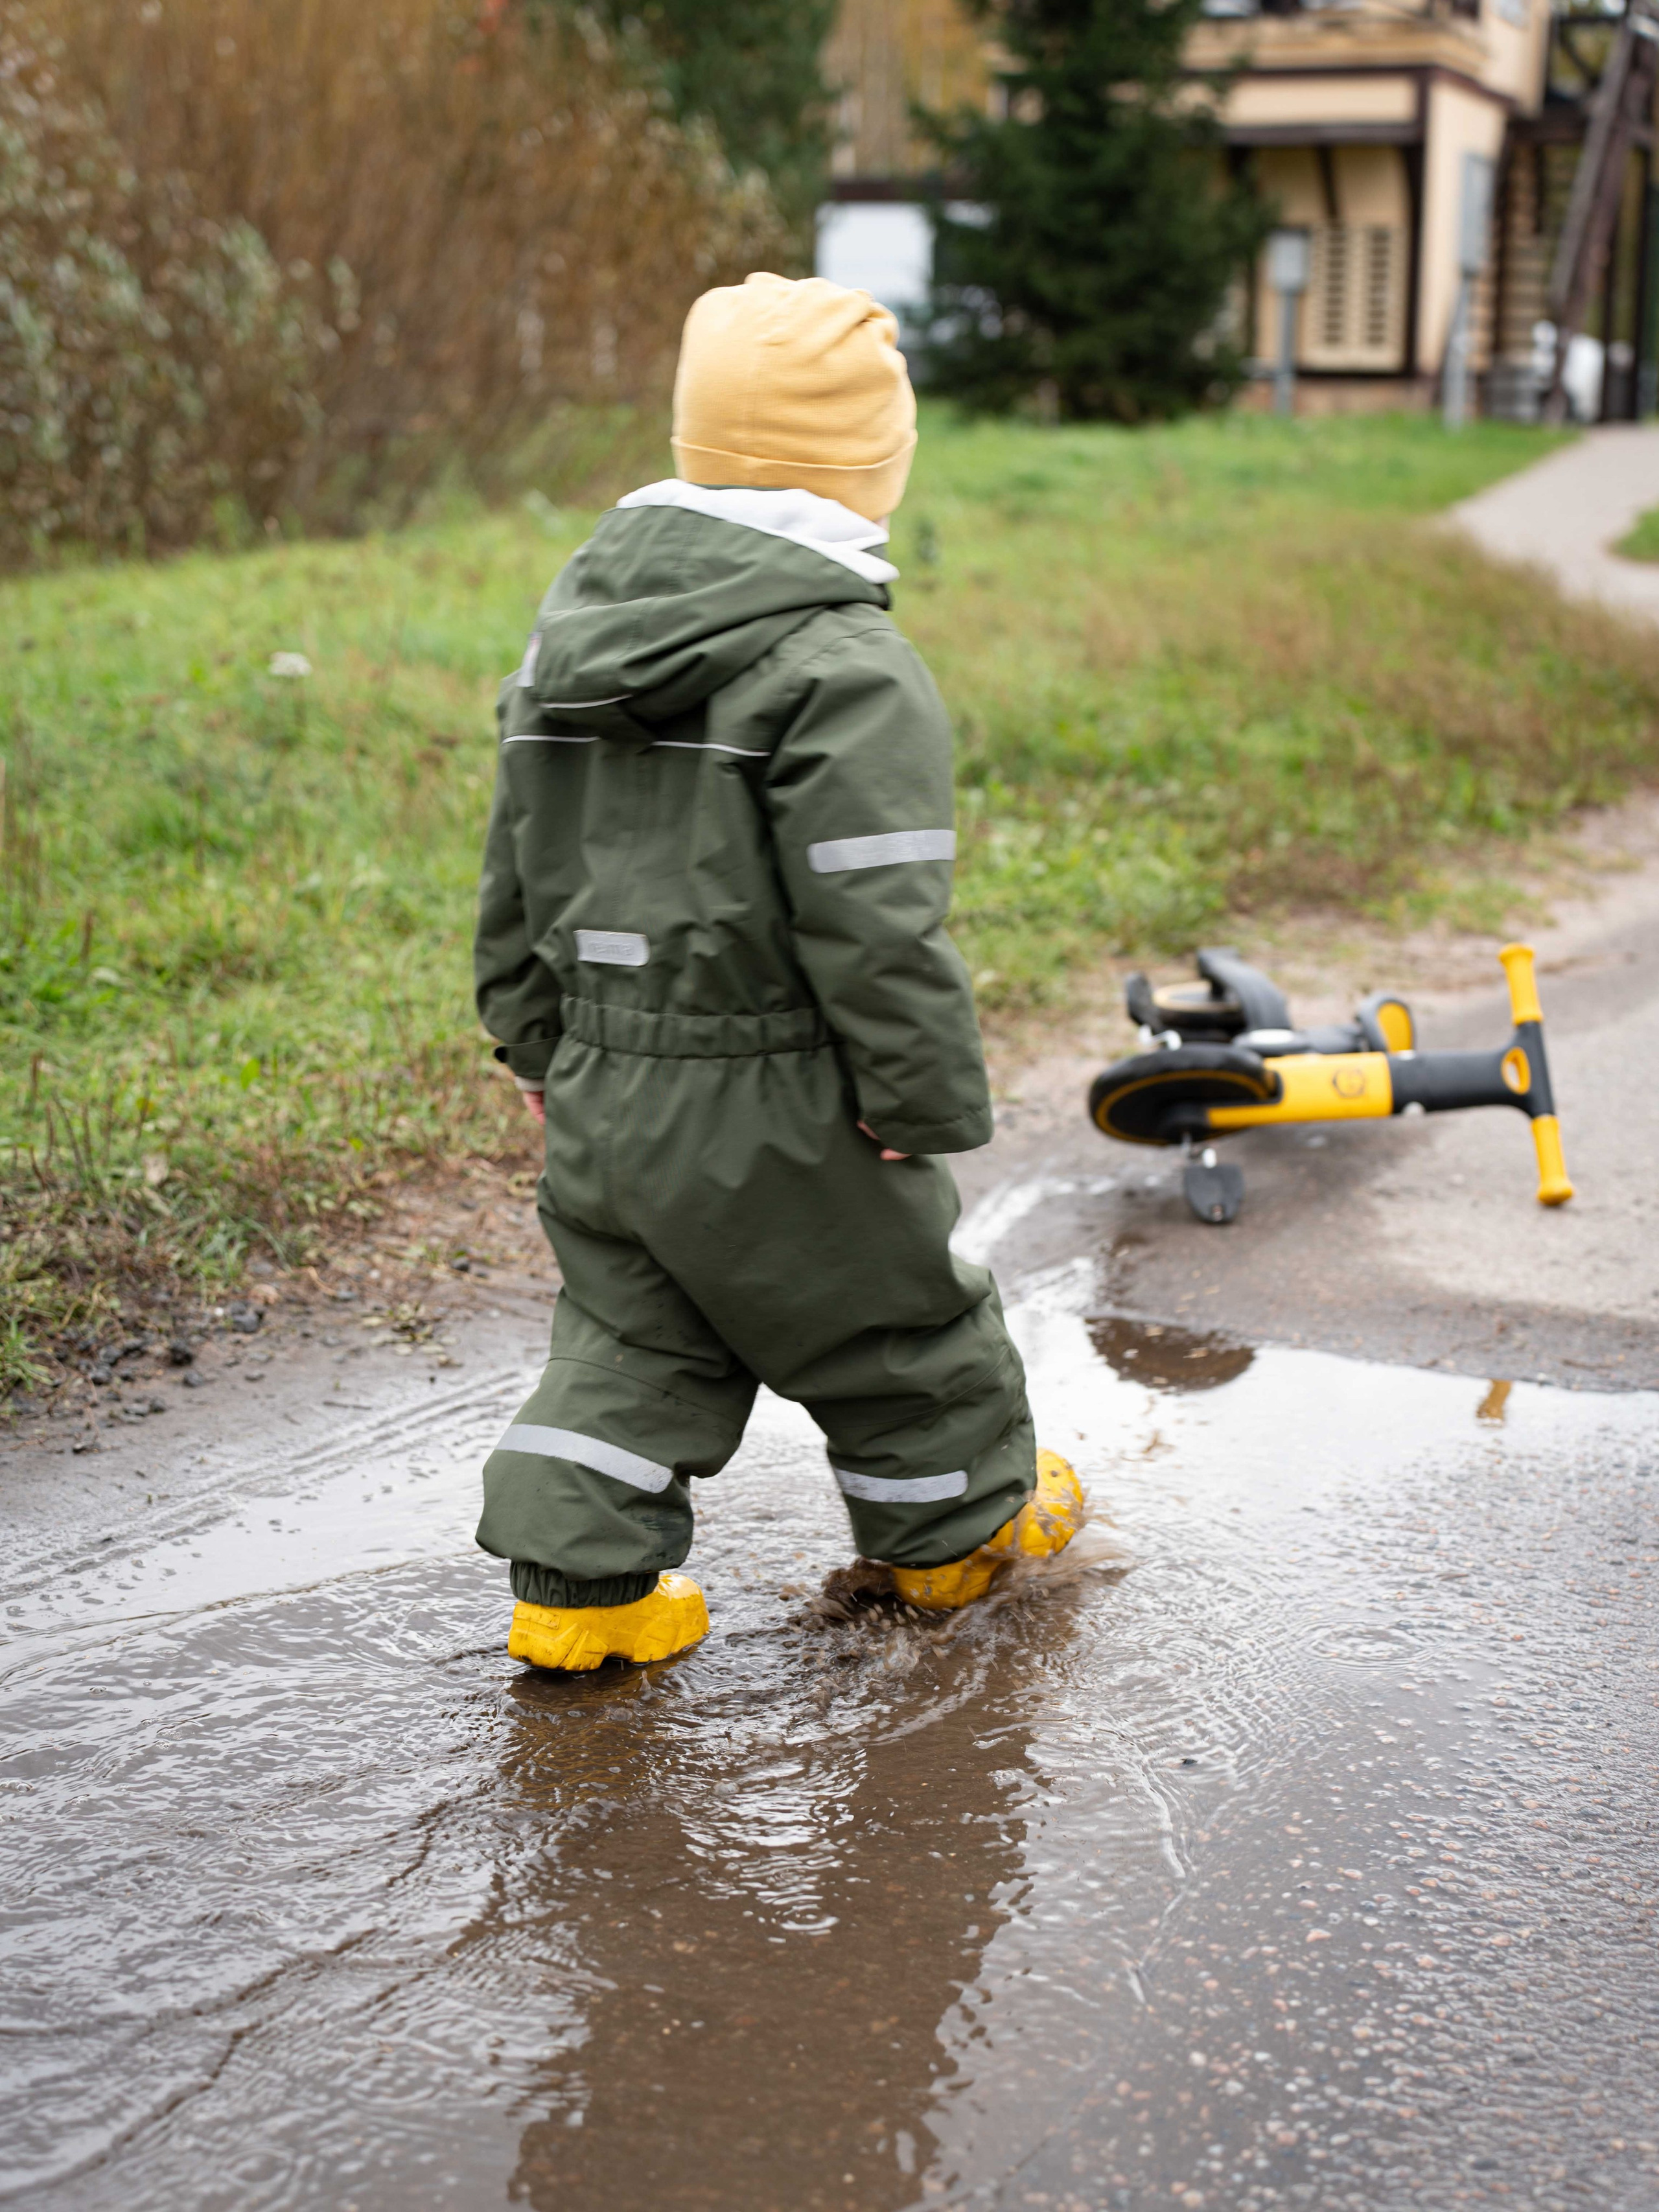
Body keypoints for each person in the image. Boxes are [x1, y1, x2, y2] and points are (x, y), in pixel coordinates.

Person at [473, 272, 1083, 1671]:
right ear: (874, 469)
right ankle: (955, 1547)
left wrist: (533, 1051)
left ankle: (578, 1599)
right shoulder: (841, 665)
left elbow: (514, 872)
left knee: (631, 1341)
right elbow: (877, 924)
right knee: (899, 1329)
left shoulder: (568, 646)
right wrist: (914, 1099)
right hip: (780, 1090)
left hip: (609, 1084)